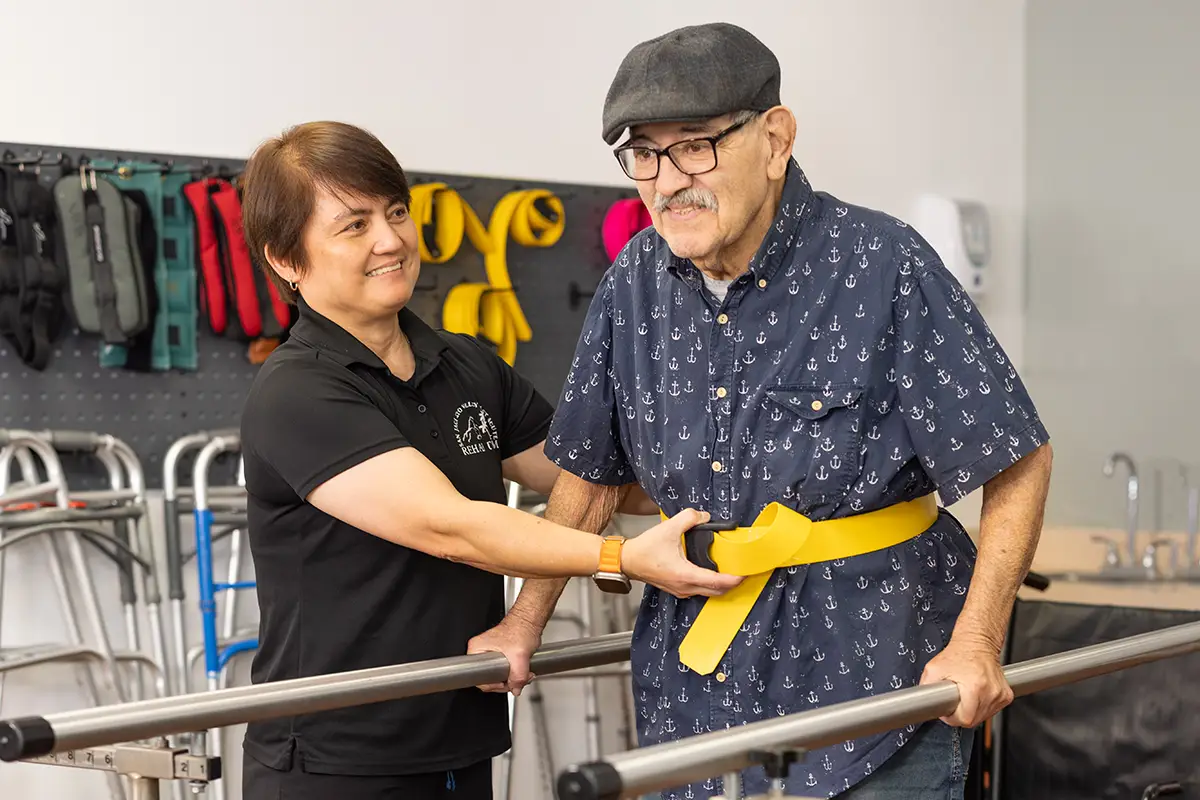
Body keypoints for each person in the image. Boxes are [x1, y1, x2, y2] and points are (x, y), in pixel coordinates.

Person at [471, 22, 1054, 800]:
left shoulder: (884, 265)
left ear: (775, 139)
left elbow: (1014, 457)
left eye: (696, 145)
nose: (669, 179)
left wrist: (979, 640)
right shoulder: (633, 282)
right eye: (644, 153)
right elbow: (589, 476)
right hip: (695, 703)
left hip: (878, 695)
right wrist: (525, 623)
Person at [233, 120, 741, 800]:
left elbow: (593, 476)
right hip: (336, 759)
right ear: (287, 260)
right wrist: (621, 559)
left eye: (395, 213)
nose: (390, 240)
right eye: (353, 227)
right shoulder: (297, 392)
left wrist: (741, 474)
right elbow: (454, 528)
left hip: (459, 734)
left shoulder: (464, 362)